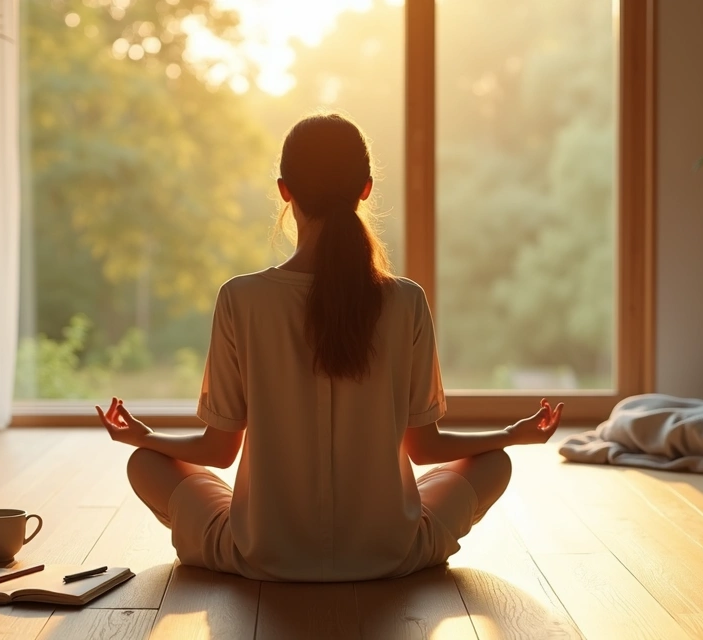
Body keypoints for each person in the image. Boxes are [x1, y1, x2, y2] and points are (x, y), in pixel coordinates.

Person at [95, 112, 562, 582]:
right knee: (494, 464)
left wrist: (145, 437)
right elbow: (424, 447)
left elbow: (219, 452)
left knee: (145, 464)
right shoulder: (406, 300)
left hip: (259, 554)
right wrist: (510, 435)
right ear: (366, 188)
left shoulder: (240, 298)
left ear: (284, 190)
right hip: (391, 553)